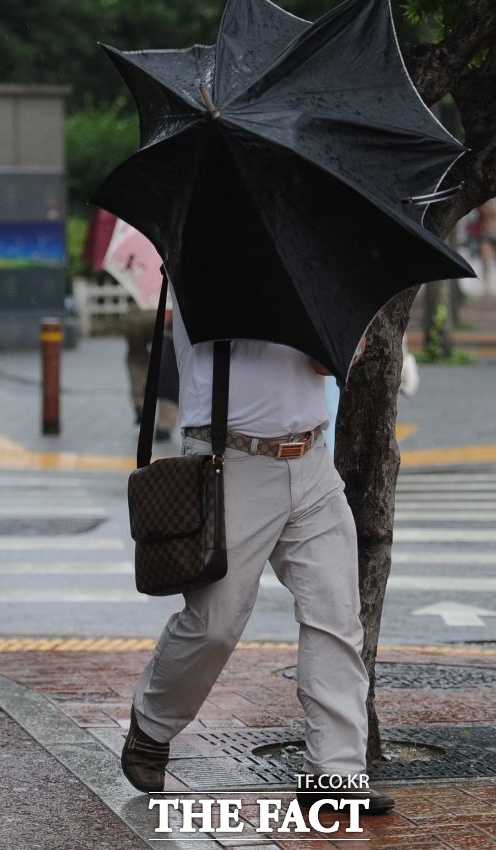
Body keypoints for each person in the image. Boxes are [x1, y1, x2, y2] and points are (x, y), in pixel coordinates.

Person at [121, 294, 395, 815]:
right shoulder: (203, 266)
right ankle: (152, 724)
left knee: (336, 617)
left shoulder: (304, 268)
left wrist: (339, 336)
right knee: (216, 623)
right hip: (230, 462)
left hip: (311, 459)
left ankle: (335, 775)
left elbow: (330, 362)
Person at [124, 304, 178, 438]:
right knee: (168, 366)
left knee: (136, 357)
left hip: (136, 315)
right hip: (162, 313)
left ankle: (139, 402)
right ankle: (164, 426)